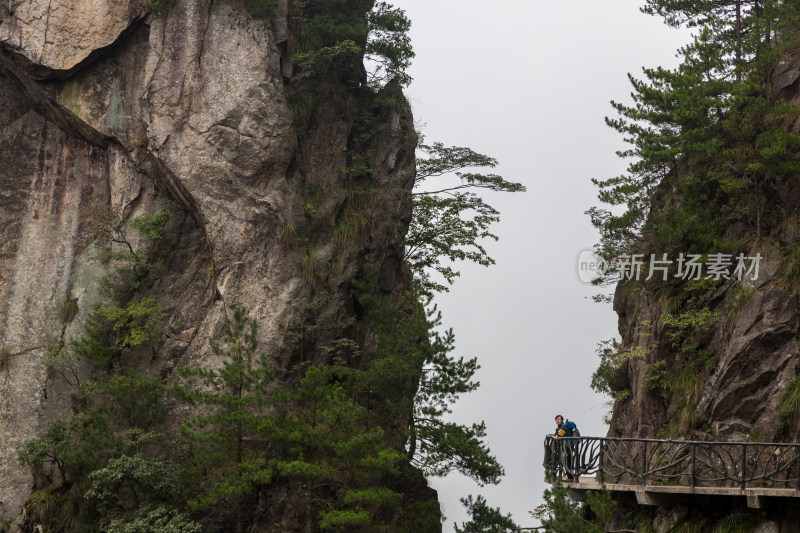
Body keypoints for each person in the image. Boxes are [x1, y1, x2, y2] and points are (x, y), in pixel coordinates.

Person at [553, 415, 575, 481]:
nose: (558, 420)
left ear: (562, 420)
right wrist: (556, 436)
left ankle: (571, 477)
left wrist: (557, 436)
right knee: (566, 461)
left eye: (559, 419)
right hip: (565, 446)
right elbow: (556, 435)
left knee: (567, 461)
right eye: (557, 419)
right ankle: (570, 476)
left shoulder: (564, 426)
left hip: (568, 447)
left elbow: (559, 435)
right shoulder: (558, 428)